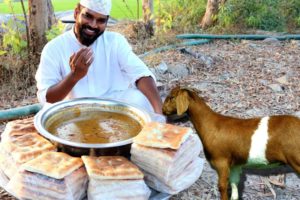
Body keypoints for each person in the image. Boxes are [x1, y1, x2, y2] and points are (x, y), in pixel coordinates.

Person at [35, 0, 163, 115]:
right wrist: (74, 76)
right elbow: (48, 98)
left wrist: (160, 114)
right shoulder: (54, 48)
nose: (93, 25)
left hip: (113, 109)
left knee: (142, 99)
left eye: (101, 20)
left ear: (107, 22)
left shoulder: (115, 42)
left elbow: (141, 74)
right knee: (48, 113)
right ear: (76, 13)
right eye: (88, 16)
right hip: (75, 113)